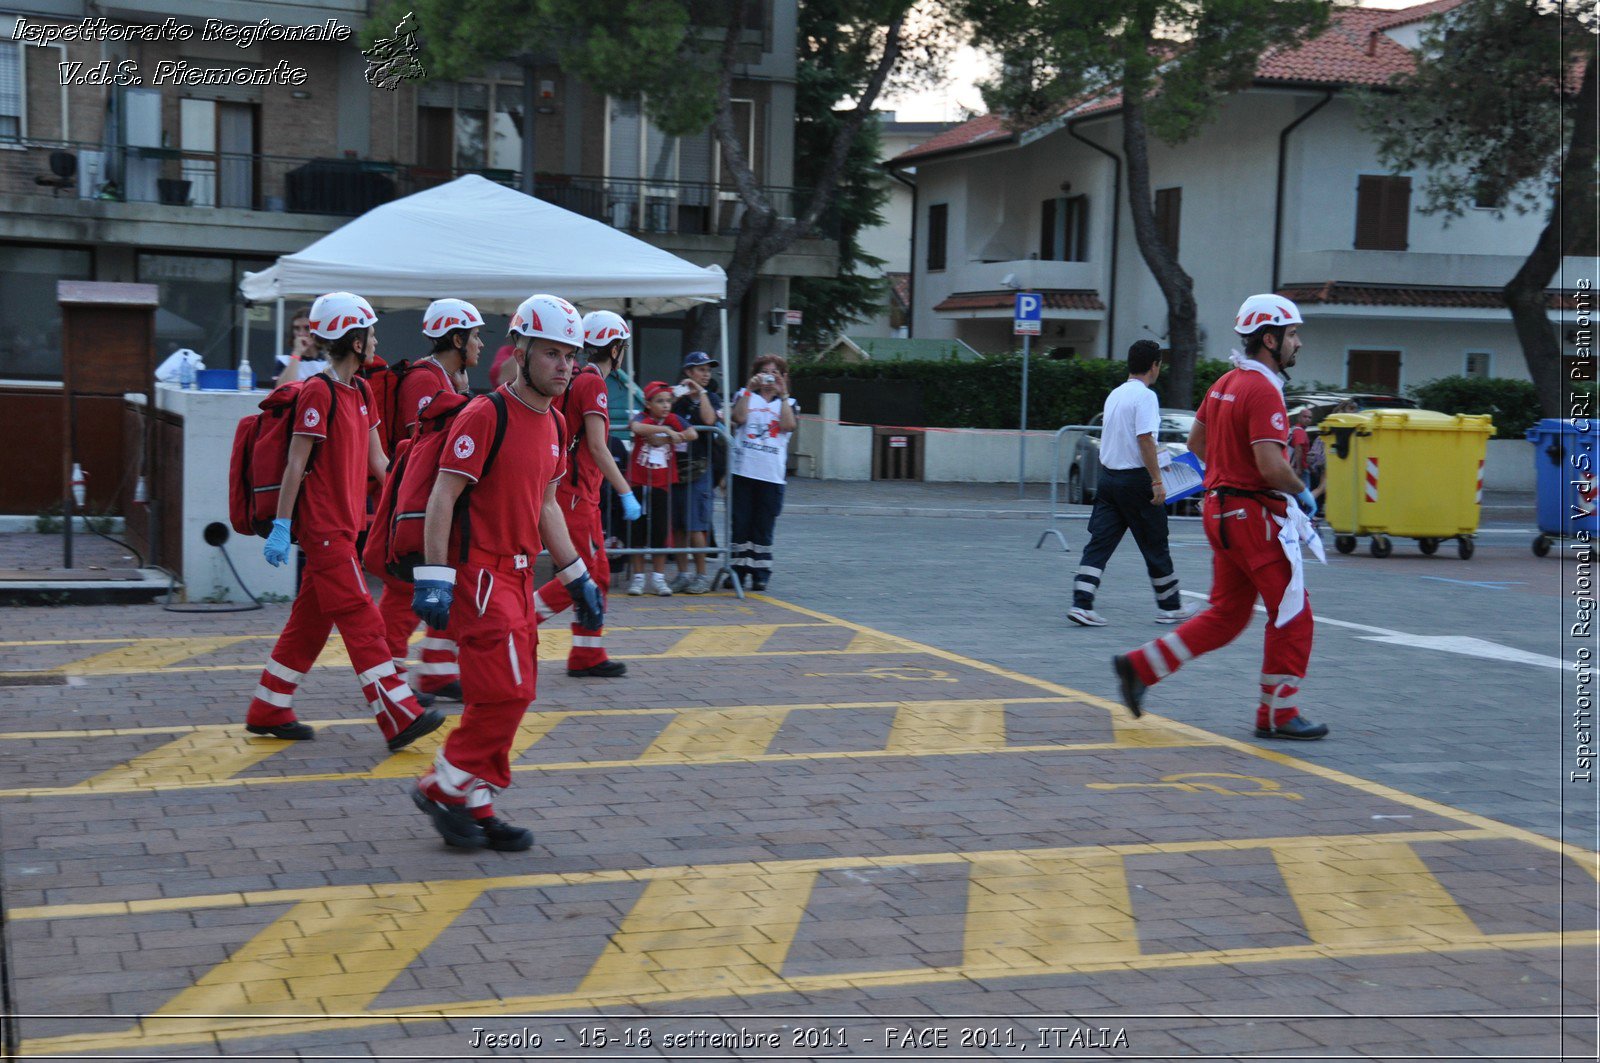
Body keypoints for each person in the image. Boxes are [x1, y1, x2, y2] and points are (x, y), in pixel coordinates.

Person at [409, 293, 607, 851]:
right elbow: (444, 496)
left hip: (519, 578)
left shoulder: (553, 424)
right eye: (552, 354)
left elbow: (547, 505)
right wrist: (435, 578)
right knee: (511, 694)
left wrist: (576, 577)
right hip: (481, 578)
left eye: (571, 355)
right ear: (520, 351)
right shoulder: (484, 413)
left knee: (496, 696)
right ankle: (443, 782)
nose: (565, 365)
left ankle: (478, 804)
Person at [1113, 294, 1328, 741]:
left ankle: (1142, 666)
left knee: (1229, 613)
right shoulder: (1263, 388)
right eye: (1291, 334)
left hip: (1220, 510)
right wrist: (1299, 488)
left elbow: (1196, 443)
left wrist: (1228, 475)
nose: (1298, 343)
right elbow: (1271, 465)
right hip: (1252, 515)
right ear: (1268, 338)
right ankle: (1279, 713)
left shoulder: (1224, 383)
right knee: (1294, 613)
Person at [245, 291, 444, 751]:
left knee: (308, 624)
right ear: (355, 341)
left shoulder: (360, 393)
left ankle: (269, 706)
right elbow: (296, 464)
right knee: (361, 618)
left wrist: (414, 496)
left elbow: (380, 461)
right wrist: (280, 525)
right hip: (324, 531)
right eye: (370, 332)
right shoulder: (319, 391)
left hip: (346, 527)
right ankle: (397, 714)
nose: (376, 340)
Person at [371, 299, 484, 708]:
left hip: (435, 500)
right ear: (456, 338)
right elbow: (423, 447)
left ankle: (436, 670)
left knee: (446, 583)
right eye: (474, 335)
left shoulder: (447, 378)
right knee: (403, 595)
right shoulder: (425, 380)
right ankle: (388, 683)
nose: (480, 344)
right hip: (416, 502)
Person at [531, 310, 644, 678]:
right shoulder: (593, 383)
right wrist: (626, 491)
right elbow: (598, 446)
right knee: (578, 576)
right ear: (615, 349)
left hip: (575, 493)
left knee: (598, 573)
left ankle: (588, 653)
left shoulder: (576, 377)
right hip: (575, 495)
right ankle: (520, 626)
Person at [1068, 340, 1199, 627]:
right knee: (1154, 540)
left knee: (1100, 541)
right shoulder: (1146, 397)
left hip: (1109, 479)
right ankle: (1170, 606)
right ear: (1155, 365)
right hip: (1135, 481)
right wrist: (1157, 480)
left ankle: (1082, 602)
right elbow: (1144, 439)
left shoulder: (1115, 394)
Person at [728, 354, 797, 591]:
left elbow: (788, 426)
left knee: (763, 525)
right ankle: (737, 569)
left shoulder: (789, 402)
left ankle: (761, 571)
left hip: (771, 475)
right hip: (744, 471)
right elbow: (738, 418)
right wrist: (749, 388)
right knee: (741, 523)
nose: (769, 377)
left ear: (783, 376)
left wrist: (783, 391)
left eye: (775, 372)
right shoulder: (743, 395)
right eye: (765, 372)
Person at [626, 381, 696, 595]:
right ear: (648, 403)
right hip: (638, 481)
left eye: (668, 401)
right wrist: (666, 430)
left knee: (660, 531)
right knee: (637, 531)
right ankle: (638, 578)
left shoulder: (673, 419)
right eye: (660, 401)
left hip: (662, 484)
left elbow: (693, 433)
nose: (666, 405)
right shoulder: (643, 417)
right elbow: (637, 427)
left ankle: (658, 577)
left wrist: (669, 436)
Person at [668, 351, 723, 593]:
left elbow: (709, 421)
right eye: (701, 369)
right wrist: (673, 394)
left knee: (696, 525)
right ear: (688, 372)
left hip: (700, 467)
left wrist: (700, 394)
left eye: (708, 370)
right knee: (678, 526)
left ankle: (702, 575)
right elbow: (662, 415)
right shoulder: (677, 399)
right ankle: (682, 573)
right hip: (676, 467)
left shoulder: (710, 397)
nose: (706, 373)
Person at [272, 306, 326, 388]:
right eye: (297, 328)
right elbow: (282, 389)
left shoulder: (328, 361)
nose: (301, 333)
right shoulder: (284, 361)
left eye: (307, 328)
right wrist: (297, 353)